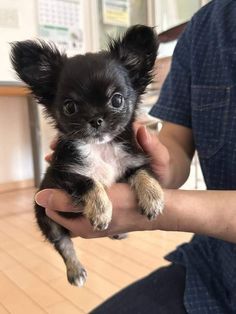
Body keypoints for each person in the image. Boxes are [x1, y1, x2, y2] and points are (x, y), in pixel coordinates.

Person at [35, 0, 236, 313]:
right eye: (72, 108)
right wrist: (162, 166)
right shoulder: (205, 26)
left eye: (116, 101)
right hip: (210, 265)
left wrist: (165, 209)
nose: (96, 119)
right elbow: (176, 146)